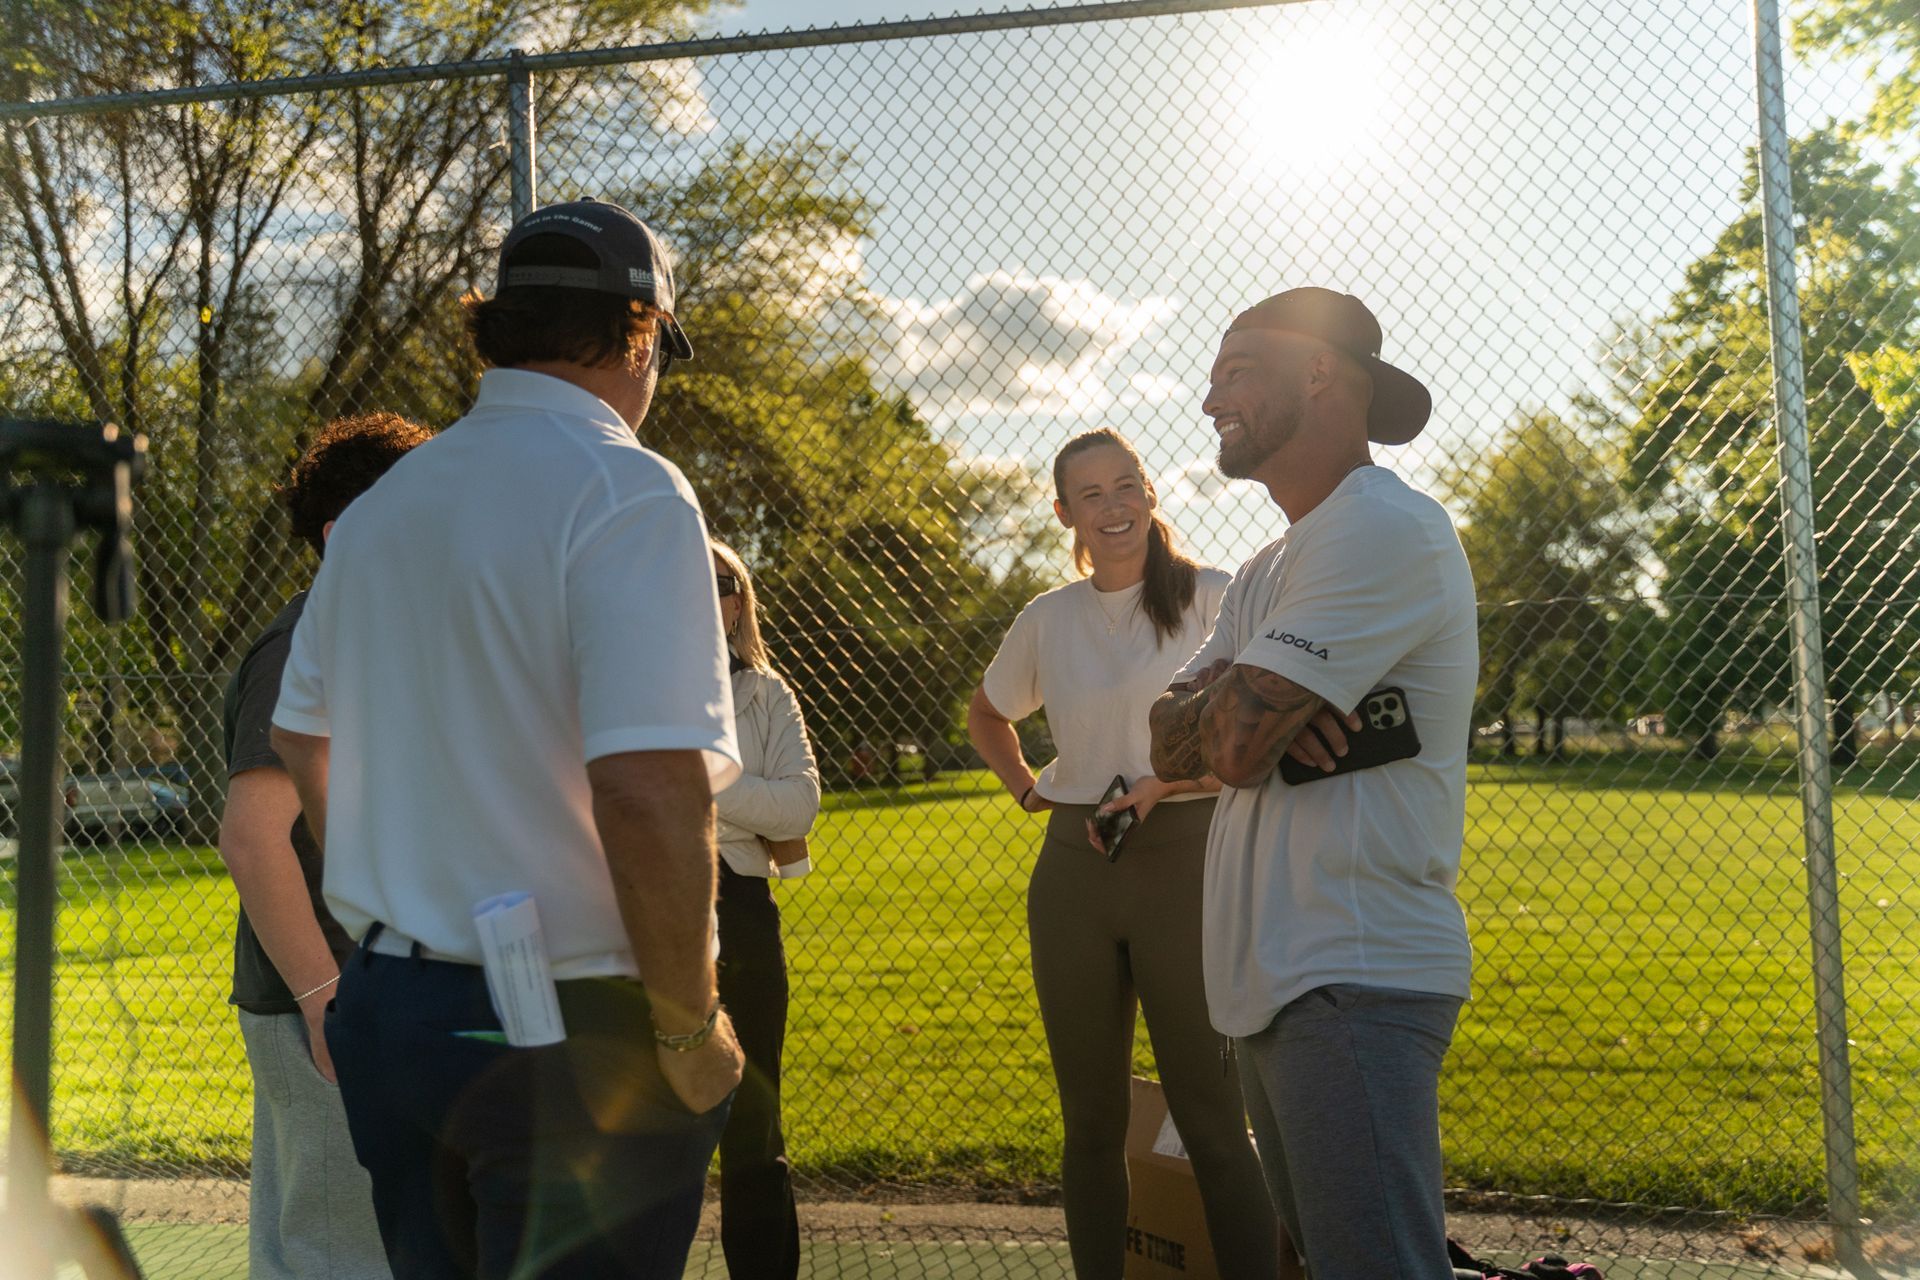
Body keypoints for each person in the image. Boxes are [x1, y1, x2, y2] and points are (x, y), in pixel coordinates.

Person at [269, 198, 745, 1279]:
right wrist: (687, 1025)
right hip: (574, 1029)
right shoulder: (626, 486)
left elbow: (305, 740)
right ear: (640, 332)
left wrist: (398, 897)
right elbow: (650, 790)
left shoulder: (389, 502)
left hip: (396, 1010)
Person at [1148, 288, 1477, 1280]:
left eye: (1236, 369)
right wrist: (1256, 715)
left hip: (1353, 967)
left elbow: (1234, 746)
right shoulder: (1266, 564)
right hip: (1284, 976)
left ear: (1322, 372)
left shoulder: (1382, 526)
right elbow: (1167, 739)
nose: (1210, 399)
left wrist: (1246, 718)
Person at [966, 429, 1278, 1280]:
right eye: (1092, 494)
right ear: (1065, 512)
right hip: (1075, 871)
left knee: (1211, 1116)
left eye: (1127, 485)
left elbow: (1258, 727)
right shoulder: (1048, 617)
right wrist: (1030, 789)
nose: (1115, 506)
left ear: (1150, 493)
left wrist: (1166, 788)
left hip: (1185, 861)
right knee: (1092, 1125)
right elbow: (987, 715)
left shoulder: (1214, 596)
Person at [219, 411, 430, 1280]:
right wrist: (324, 1000)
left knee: (335, 1247)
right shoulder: (303, 643)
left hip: (364, 992)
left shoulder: (375, 639)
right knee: (342, 1255)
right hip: (325, 996)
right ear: (348, 532)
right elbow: (251, 838)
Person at [707, 540, 821, 1280]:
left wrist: (694, 778)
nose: (704, 595)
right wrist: (746, 797)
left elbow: (799, 805)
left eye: (719, 582)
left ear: (740, 600)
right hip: (638, 906)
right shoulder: (623, 685)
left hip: (740, 905)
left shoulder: (766, 694)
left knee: (753, 1124)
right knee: (640, 1128)